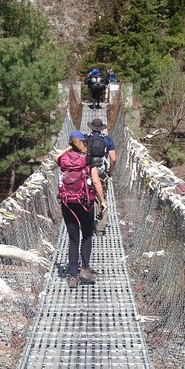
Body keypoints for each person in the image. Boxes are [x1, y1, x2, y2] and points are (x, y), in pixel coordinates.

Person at [55, 130, 107, 288]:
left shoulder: (63, 159)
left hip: (67, 203)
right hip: (85, 202)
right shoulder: (88, 159)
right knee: (87, 235)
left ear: (70, 143)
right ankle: (84, 268)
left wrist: (68, 148)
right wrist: (103, 201)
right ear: (83, 142)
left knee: (73, 239)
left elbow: (55, 157)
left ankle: (72, 276)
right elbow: (96, 182)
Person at [85, 118, 116, 234]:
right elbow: (113, 159)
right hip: (101, 171)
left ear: (91, 127)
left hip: (87, 170)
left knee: (87, 196)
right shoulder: (107, 140)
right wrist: (110, 172)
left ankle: (87, 224)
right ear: (101, 128)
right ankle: (100, 228)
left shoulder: (86, 138)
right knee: (102, 196)